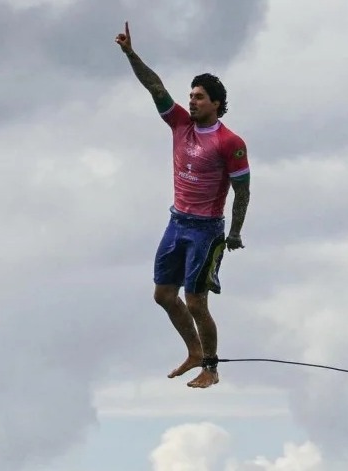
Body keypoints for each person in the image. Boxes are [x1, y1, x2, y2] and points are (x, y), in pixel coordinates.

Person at [115, 21, 251, 389]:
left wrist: (235, 232)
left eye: (199, 97)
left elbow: (243, 190)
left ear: (217, 104)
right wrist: (130, 53)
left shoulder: (229, 141)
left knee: (195, 302)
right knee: (163, 295)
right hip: (177, 222)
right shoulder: (179, 124)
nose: (191, 101)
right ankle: (193, 351)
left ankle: (211, 367)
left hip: (206, 230)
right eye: (191, 95)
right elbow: (154, 86)